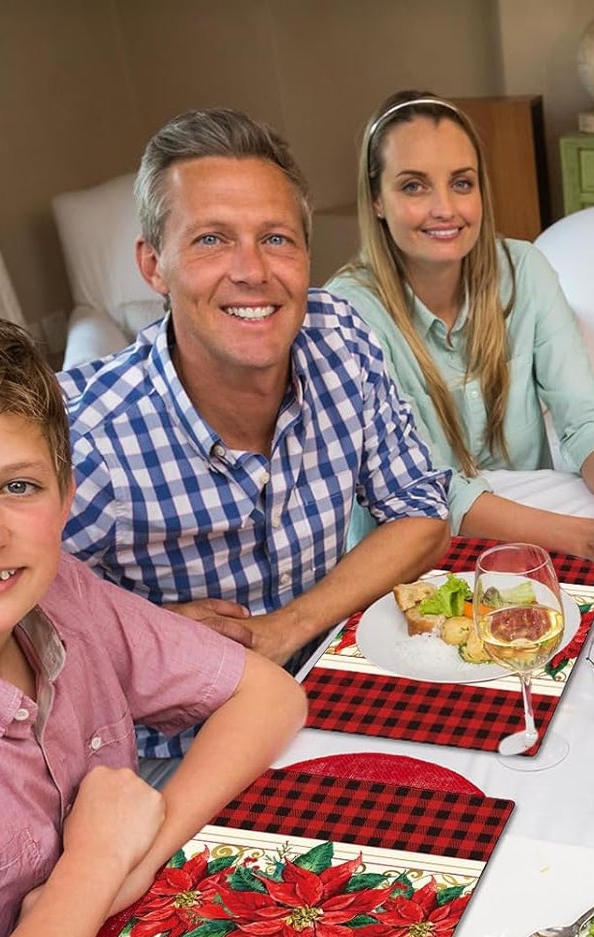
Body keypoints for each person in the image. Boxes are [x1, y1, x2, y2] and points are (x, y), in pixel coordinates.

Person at [0, 301, 307, 937]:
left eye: (17, 487)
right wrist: (90, 871)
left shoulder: (60, 591)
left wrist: (130, 857)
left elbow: (270, 695)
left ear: (66, 495)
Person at [62, 108, 452, 762]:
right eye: (212, 240)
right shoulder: (86, 435)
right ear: (154, 265)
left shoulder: (341, 338)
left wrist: (285, 629)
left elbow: (421, 510)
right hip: (177, 756)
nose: (252, 271)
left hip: (335, 701)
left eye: (275, 239)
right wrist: (135, 645)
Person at [329, 91, 594, 587]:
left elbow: (584, 418)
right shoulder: (345, 314)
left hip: (534, 541)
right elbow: (428, 489)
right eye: (414, 186)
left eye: (462, 183)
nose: (445, 209)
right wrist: (589, 537)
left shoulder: (526, 271)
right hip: (411, 557)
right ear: (376, 199)